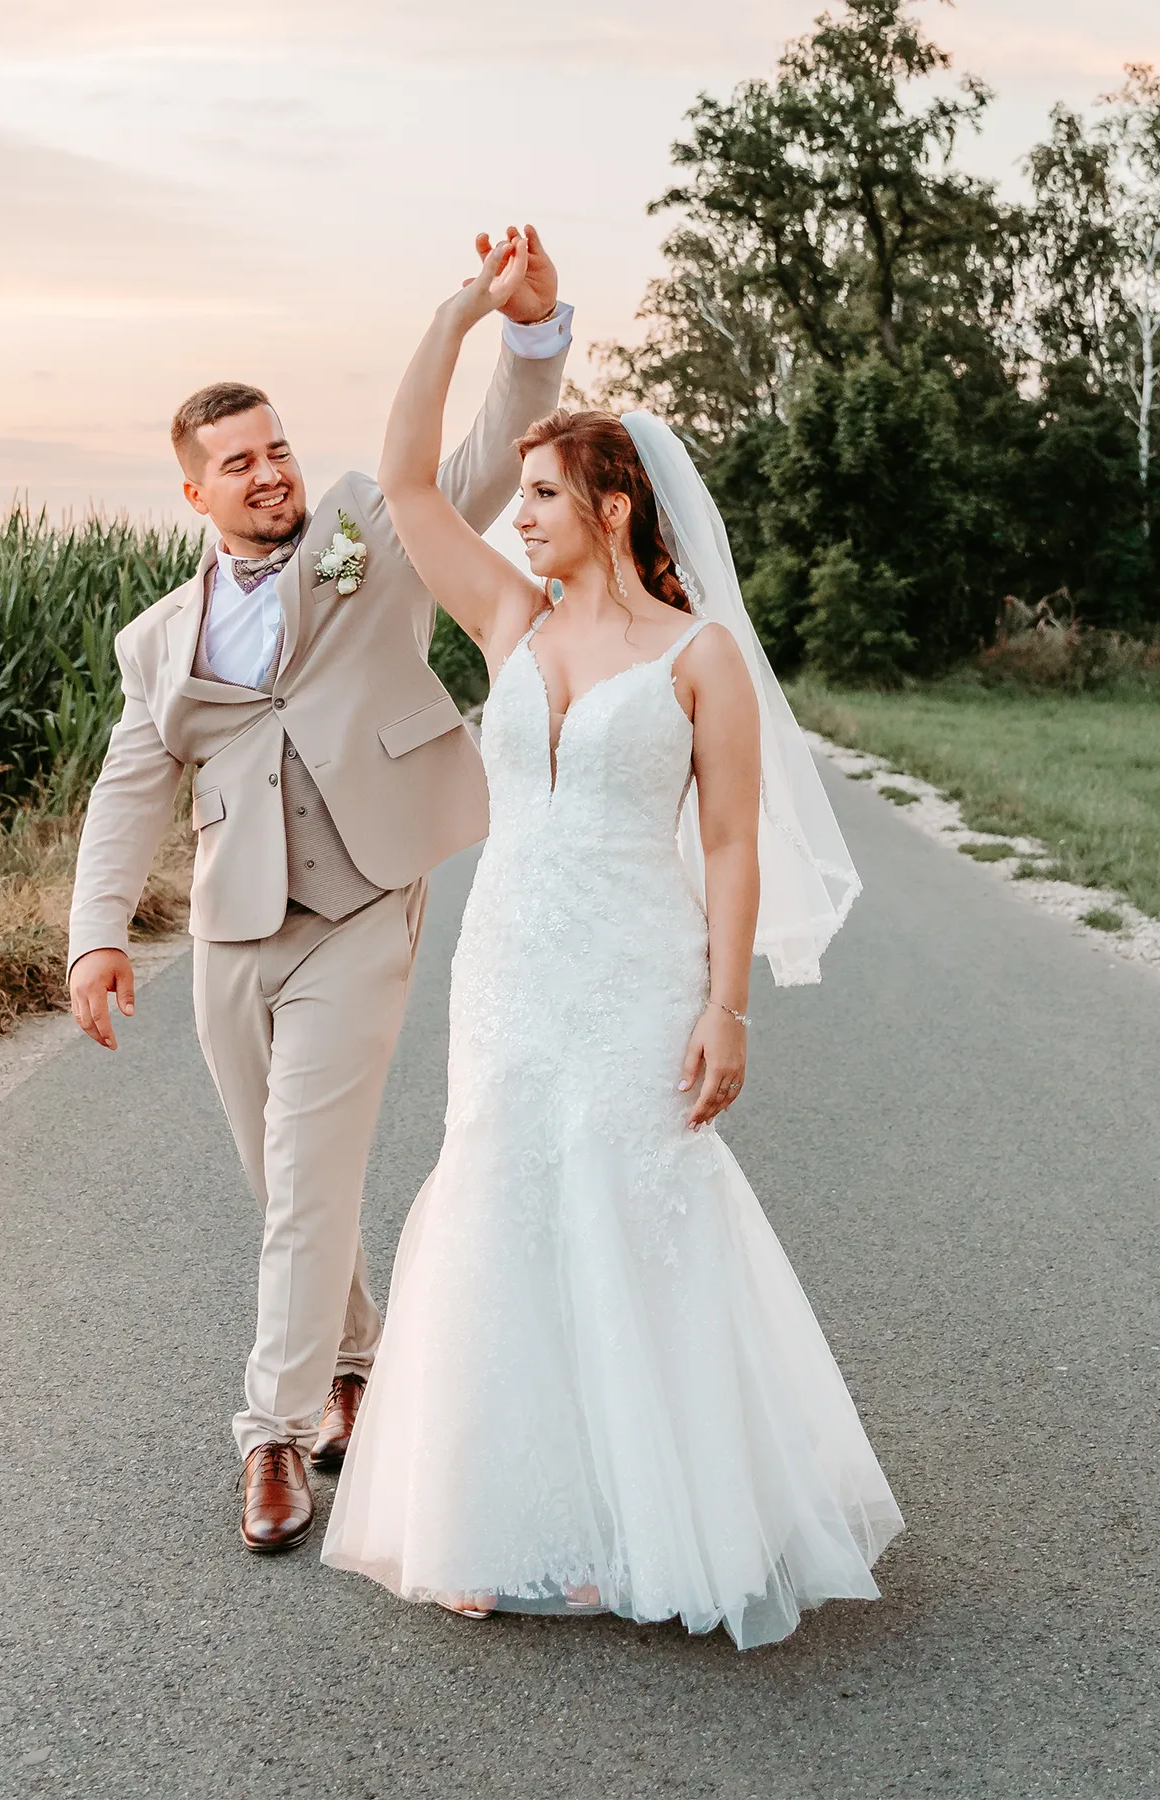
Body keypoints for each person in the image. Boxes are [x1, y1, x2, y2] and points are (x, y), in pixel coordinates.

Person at [321, 238, 904, 1645]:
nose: (518, 518)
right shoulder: (508, 620)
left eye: (539, 494)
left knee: (627, 1211)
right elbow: (403, 483)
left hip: (639, 969)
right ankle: (492, 1516)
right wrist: (464, 309)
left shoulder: (699, 657)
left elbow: (729, 846)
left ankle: (647, 1510)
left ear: (614, 501)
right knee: (500, 1201)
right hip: (512, 963)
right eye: (517, 497)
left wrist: (729, 1009)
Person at [65, 229, 572, 1555]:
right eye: (239, 462)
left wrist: (523, 332)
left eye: (276, 446)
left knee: (307, 1178)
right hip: (233, 933)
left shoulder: (364, 526)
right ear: (195, 493)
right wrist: (96, 937)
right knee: (281, 1176)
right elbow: (132, 785)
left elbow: (473, 463)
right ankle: (359, 1364)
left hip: (362, 906)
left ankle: (272, 1439)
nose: (270, 471)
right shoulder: (155, 642)